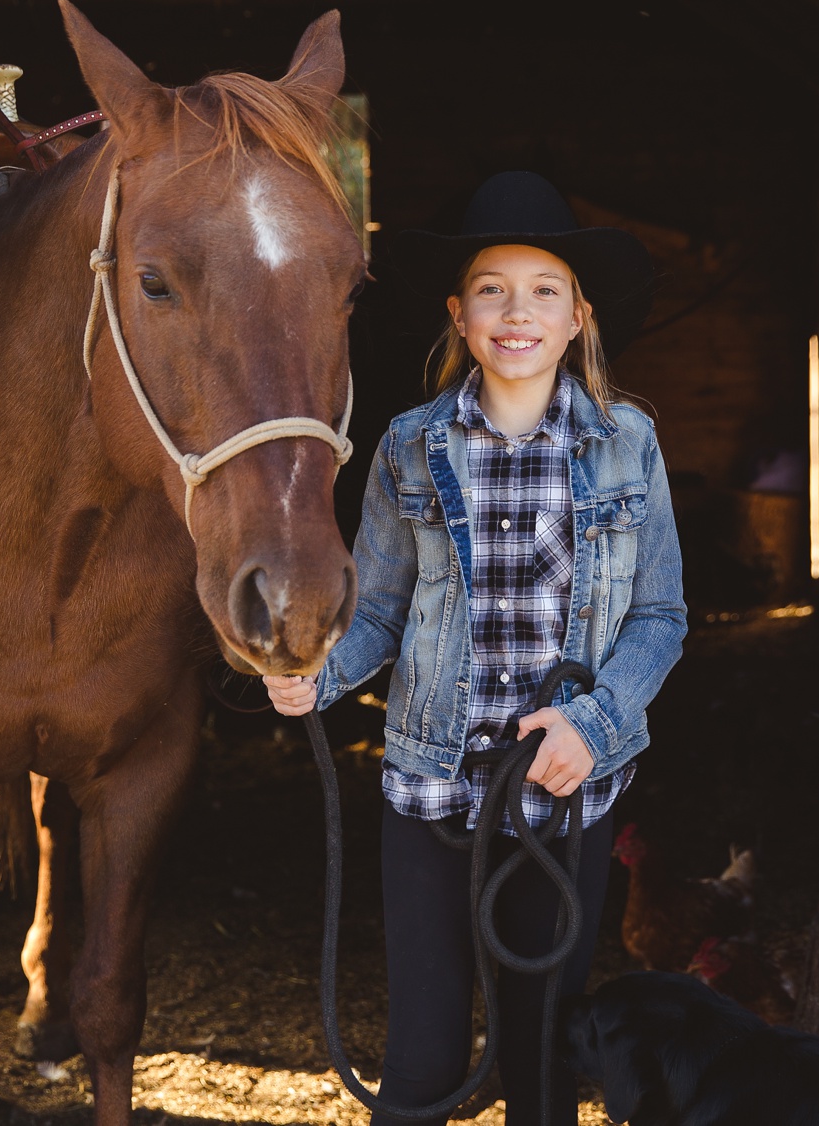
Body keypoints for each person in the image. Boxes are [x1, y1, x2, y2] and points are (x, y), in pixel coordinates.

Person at [264, 171, 687, 1126]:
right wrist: (317, 677)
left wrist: (596, 723)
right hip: (431, 793)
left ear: (578, 317)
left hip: (563, 797)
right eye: (492, 288)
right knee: (420, 1063)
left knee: (539, 1062)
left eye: (544, 290)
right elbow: (376, 610)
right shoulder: (411, 447)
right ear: (459, 316)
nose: (517, 312)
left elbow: (660, 617)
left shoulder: (629, 445)